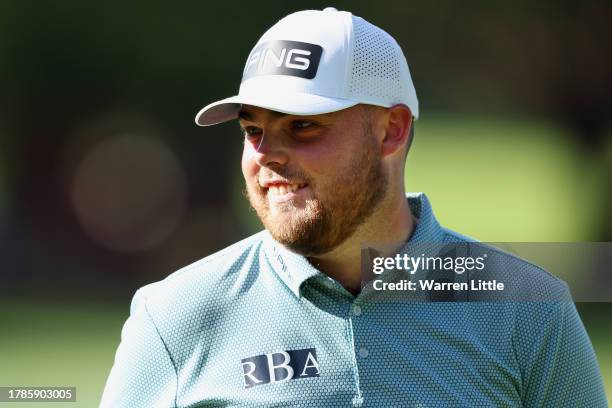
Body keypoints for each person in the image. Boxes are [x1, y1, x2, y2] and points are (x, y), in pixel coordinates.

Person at [100, 8, 607, 407]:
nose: (266, 155)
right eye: (253, 130)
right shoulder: (174, 318)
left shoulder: (529, 312)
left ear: (392, 130)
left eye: (303, 125)